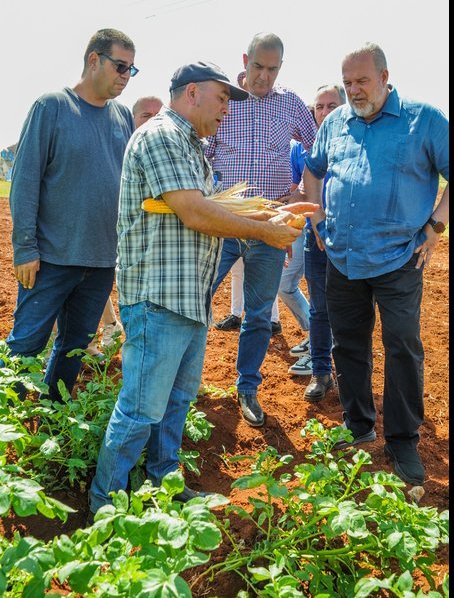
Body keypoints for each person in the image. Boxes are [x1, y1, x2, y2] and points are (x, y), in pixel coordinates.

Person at [89, 61, 317, 514]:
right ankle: (105, 506)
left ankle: (165, 485)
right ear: (192, 93)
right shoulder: (162, 137)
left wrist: (270, 216)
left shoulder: (193, 145)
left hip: (187, 298)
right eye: (222, 100)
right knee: (139, 409)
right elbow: (195, 213)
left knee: (175, 403)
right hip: (158, 297)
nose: (228, 111)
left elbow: (217, 206)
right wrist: (266, 234)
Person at [304, 42, 449, 485]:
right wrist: (317, 220)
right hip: (343, 257)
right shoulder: (334, 123)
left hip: (399, 258)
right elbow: (313, 170)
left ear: (385, 77)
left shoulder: (423, 120)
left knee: (402, 347)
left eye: (362, 81)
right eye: (347, 82)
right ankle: (359, 424)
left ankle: (403, 441)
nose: (353, 90)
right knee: (348, 344)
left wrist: (435, 228)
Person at [6, 28, 137, 401]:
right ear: (93, 60)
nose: (126, 76)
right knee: (25, 345)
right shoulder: (52, 107)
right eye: (120, 66)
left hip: (99, 261)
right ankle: (6, 422)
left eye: (131, 69)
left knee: (75, 345)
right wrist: (25, 248)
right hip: (49, 258)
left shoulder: (122, 117)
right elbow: (25, 181)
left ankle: (53, 413)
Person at [206, 32, 317, 427]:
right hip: (223, 223)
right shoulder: (222, 100)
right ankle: (182, 381)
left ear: (280, 68)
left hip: (269, 227)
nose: (263, 77)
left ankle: (247, 387)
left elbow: (317, 150)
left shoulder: (290, 105)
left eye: (272, 69)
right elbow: (200, 153)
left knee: (257, 313)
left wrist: (301, 189)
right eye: (258, 67)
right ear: (245, 60)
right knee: (196, 299)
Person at [85, 94, 164, 360]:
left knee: (99, 278)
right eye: (145, 116)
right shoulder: (118, 146)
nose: (153, 121)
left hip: (141, 237)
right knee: (91, 276)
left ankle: (109, 328)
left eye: (158, 115)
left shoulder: (164, 149)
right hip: (105, 223)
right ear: (131, 121)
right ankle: (105, 328)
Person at [284, 85, 346, 398]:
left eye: (331, 105)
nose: (323, 112)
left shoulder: (355, 141)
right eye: (319, 107)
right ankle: (322, 374)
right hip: (316, 237)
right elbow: (301, 189)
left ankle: (350, 375)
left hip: (351, 240)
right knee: (319, 308)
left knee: (351, 309)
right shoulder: (303, 149)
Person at [214, 258, 281, 335]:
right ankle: (235, 316)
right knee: (237, 272)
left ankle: (273, 320)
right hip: (238, 245)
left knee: (264, 273)